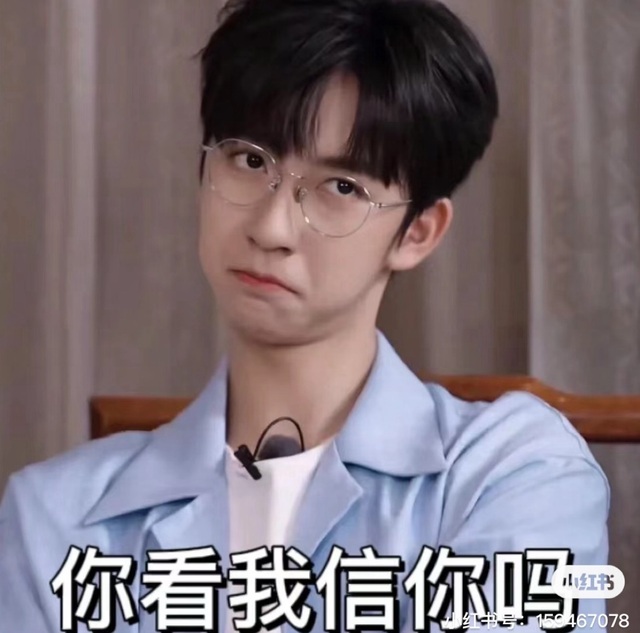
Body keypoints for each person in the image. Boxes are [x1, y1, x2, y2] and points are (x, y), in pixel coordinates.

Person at [0, 0, 609, 631]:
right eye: (250, 161)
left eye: (342, 187)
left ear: (417, 232)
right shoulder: (56, 516)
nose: (271, 227)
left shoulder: (510, 472)